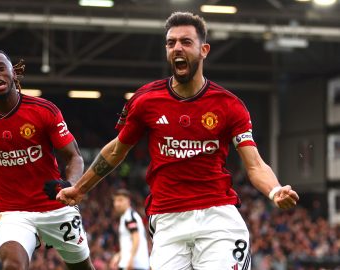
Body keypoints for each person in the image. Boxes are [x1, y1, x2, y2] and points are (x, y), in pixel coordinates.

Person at [57, 12, 300, 269]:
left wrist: (274, 191)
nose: (177, 48)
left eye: (185, 42)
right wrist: (81, 188)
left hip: (217, 219)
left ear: (204, 50)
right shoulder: (145, 101)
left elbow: (255, 165)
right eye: (171, 43)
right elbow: (117, 150)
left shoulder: (229, 105)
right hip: (167, 222)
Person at [0, 49, 94, 270]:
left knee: (82, 268)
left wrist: (69, 185)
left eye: (1, 68)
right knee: (12, 265)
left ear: (14, 73)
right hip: (12, 210)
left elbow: (74, 157)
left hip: (56, 205)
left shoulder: (44, 111)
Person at [110, 189, 149, 270]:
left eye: (120, 200)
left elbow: (136, 238)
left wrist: (131, 259)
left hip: (135, 265)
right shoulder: (126, 216)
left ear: (128, 201)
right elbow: (129, 243)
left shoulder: (129, 216)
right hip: (132, 263)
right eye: (115, 201)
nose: (117, 204)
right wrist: (119, 255)